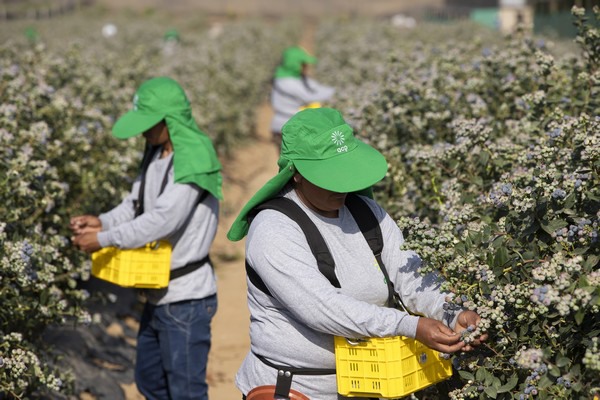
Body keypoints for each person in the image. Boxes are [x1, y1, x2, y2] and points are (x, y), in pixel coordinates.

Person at [227, 107, 487, 400]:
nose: (342, 185)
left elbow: (410, 274)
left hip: (373, 384)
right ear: (296, 173)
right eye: (329, 175)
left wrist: (450, 312)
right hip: (299, 390)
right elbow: (321, 308)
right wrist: (408, 325)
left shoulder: (366, 212)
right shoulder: (274, 228)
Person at [70, 76, 223, 400]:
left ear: (170, 120)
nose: (143, 132)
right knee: (149, 380)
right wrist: (102, 221)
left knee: (186, 392)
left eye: (149, 124)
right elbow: (135, 204)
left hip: (186, 298)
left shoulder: (193, 159)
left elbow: (162, 221)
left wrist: (104, 239)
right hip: (157, 292)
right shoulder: (156, 154)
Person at [270, 46, 335, 150]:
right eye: (303, 64)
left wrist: (337, 91)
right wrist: (336, 93)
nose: (306, 67)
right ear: (295, 64)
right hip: (285, 128)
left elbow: (318, 89)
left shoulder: (300, 78)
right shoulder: (285, 82)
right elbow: (310, 96)